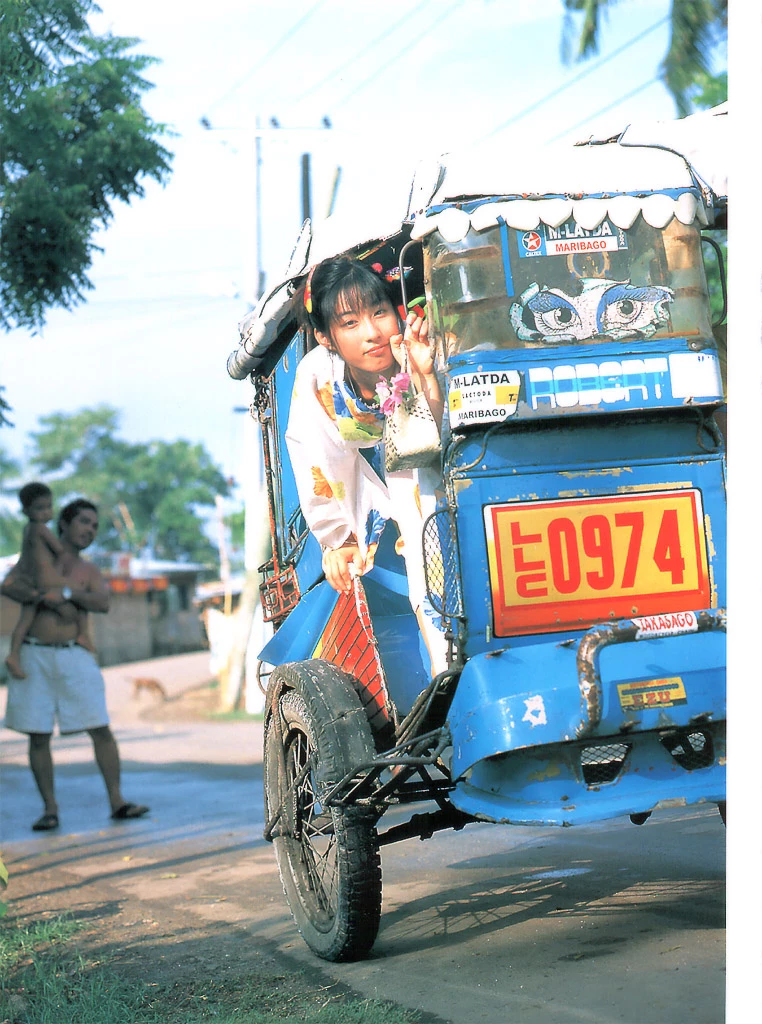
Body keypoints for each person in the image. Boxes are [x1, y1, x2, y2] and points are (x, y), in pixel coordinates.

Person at [285, 255, 448, 674]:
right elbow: (318, 458)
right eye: (350, 323)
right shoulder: (319, 377)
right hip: (370, 505)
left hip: (439, 490)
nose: (373, 333)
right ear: (325, 336)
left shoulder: (425, 347)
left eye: (379, 313)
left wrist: (426, 374)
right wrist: (339, 540)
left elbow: (443, 437)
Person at [1, 498, 149, 831]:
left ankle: (117, 801)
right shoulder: (35, 560)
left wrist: (66, 593)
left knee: (100, 727)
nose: (89, 530)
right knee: (38, 734)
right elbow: (8, 585)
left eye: (94, 526)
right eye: (84, 522)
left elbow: (103, 601)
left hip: (74, 653)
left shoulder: (89, 570)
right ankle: (50, 809)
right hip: (34, 653)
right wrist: (41, 595)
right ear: (64, 524)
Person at [4, 482, 92, 680]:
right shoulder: (41, 529)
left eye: (48, 507)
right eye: (40, 508)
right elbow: (59, 551)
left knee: (24, 622)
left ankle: (13, 655)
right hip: (47, 580)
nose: (46, 512)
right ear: (26, 510)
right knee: (79, 594)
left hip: (33, 582)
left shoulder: (27, 530)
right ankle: (83, 634)